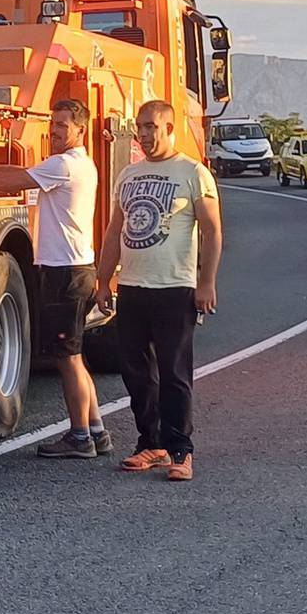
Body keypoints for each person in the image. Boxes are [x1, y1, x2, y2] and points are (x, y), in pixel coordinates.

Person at [0, 99, 109, 458]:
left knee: (68, 359)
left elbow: (11, 181)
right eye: (53, 123)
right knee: (75, 356)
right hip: (76, 270)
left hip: (64, 273)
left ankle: (80, 438)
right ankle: (96, 429)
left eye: (62, 125)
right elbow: (17, 169)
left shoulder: (64, 165)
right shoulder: (76, 164)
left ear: (80, 129)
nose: (55, 130)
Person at [97, 100, 223, 481]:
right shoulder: (129, 174)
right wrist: (103, 280)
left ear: (169, 128)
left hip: (175, 288)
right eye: (141, 127)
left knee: (174, 372)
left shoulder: (192, 173)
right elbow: (113, 230)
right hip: (133, 288)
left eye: (152, 126)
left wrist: (206, 282)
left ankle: (180, 449)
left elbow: (213, 231)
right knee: (136, 372)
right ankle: (150, 442)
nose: (145, 134)